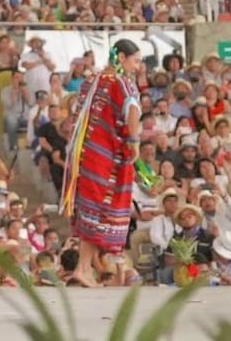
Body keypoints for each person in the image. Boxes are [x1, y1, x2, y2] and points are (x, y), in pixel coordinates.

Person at [61, 38, 143, 288]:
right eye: (136, 61)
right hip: (107, 156)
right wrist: (134, 141)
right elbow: (132, 109)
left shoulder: (90, 81)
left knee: (91, 212)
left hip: (85, 154)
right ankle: (83, 268)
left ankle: (84, 268)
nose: (138, 67)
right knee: (99, 211)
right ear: (122, 58)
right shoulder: (122, 83)